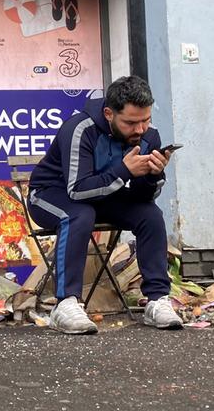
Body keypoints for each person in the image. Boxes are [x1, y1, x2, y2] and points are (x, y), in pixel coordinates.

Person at [27, 76, 182, 334]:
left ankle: (157, 300)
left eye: (145, 120)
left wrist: (154, 175)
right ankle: (65, 304)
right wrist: (124, 171)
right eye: (131, 122)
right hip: (50, 195)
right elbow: (77, 190)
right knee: (79, 214)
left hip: (103, 194)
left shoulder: (149, 135)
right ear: (109, 113)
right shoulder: (80, 129)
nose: (140, 130)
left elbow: (144, 196)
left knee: (150, 215)